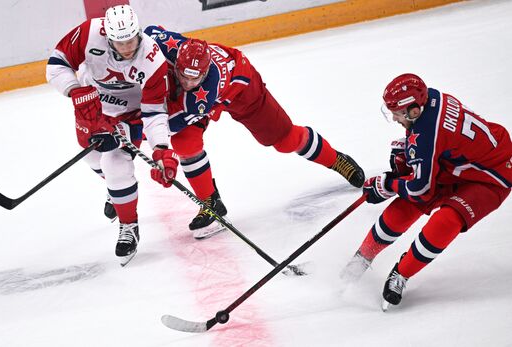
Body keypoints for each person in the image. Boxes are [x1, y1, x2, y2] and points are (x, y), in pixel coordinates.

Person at [143, 25, 366, 239]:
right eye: (184, 75)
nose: (188, 82)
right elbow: (148, 34)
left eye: (195, 78)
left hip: (241, 88)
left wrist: (130, 130)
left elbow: (166, 124)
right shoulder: (164, 45)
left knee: (285, 140)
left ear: (205, 73)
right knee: (185, 143)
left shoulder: (205, 92)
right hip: (201, 94)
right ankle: (211, 203)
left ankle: (336, 159)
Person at [340, 73, 511, 310]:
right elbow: (437, 139)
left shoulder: (427, 133)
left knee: (446, 219)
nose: (394, 117)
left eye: (397, 113)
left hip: (493, 176)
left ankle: (402, 273)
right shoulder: (432, 98)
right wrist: (409, 149)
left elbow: (420, 189)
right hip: (460, 164)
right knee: (408, 203)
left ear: (413, 111)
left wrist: (388, 184)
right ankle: (362, 258)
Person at [46, 5, 179, 265]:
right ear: (108, 37)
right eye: (120, 42)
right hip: (92, 104)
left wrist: (161, 147)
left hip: (130, 113)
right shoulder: (89, 33)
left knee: (115, 163)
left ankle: (129, 226)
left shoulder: (152, 59)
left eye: (131, 40)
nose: (128, 47)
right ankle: (117, 190)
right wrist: (74, 91)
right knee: (90, 156)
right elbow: (56, 64)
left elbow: (153, 112)